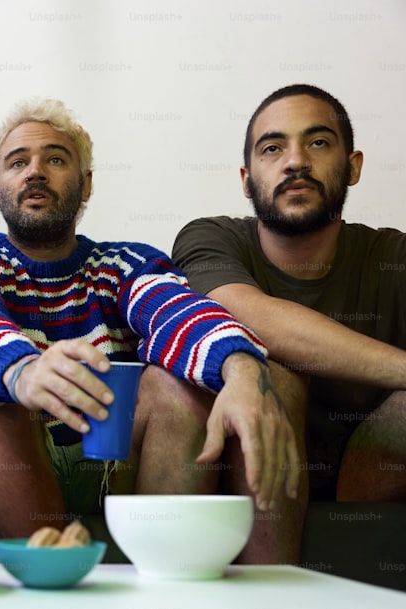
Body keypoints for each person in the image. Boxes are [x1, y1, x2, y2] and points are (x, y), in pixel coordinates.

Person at [0, 97, 303, 562]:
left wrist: (243, 370)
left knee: (176, 387)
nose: (36, 172)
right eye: (18, 162)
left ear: (85, 184)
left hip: (116, 461)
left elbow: (177, 312)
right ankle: (52, 575)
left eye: (56, 159)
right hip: (19, 455)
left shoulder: (126, 261)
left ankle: (166, 580)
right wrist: (25, 371)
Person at [173, 83, 406, 505]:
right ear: (246, 180)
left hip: (371, 490)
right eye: (272, 149)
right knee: (270, 373)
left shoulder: (394, 258)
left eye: (318, 142)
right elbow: (252, 318)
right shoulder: (209, 238)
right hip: (248, 494)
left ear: (353, 167)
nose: (296, 162)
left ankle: (356, 550)